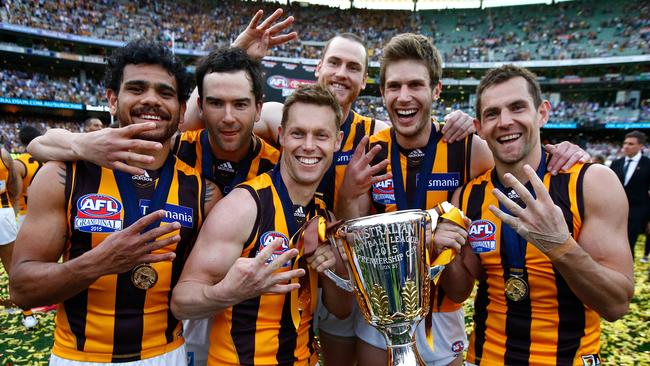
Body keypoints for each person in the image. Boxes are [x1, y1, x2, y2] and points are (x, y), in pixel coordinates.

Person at [336, 34, 591, 366]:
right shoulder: (371, 150)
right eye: (394, 86)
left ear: (436, 91)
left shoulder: (469, 149)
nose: (404, 96)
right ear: (382, 93)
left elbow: (520, 163)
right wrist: (347, 194)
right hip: (381, 311)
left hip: (443, 313)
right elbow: (350, 231)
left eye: (416, 85)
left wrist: (564, 151)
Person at [9, 39, 222, 365]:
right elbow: (22, 289)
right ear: (112, 99)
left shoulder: (204, 192)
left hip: (168, 354)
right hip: (78, 357)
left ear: (181, 113)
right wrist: (99, 262)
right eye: (137, 88)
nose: (151, 99)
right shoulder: (63, 176)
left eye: (165, 93)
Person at [442, 64, 634, 365]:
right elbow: (460, 289)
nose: (505, 122)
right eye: (492, 113)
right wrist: (442, 253)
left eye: (517, 107)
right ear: (479, 127)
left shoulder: (591, 182)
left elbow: (616, 304)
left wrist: (561, 246)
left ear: (542, 113)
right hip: (486, 357)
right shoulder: (467, 196)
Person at [171, 84, 352, 366]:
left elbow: (341, 310)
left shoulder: (322, 214)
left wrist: (333, 269)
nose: (308, 145)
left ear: (337, 141)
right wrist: (228, 293)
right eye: (297, 133)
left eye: (321, 135)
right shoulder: (243, 206)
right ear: (281, 136)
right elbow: (181, 301)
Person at [610, 130, 650, 260]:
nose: (626, 146)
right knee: (613, 243)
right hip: (615, 211)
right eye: (625, 143)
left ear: (641, 146)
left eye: (631, 144)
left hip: (637, 212)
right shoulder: (616, 163)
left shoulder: (648, 164)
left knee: (629, 243)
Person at [14, 126, 43, 227]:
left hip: (24, 212)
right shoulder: (49, 160)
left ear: (21, 140)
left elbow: (16, 194)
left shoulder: (18, 163)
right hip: (46, 211)